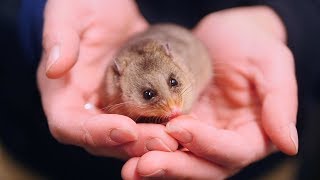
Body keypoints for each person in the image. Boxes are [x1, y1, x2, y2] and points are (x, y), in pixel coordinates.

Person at [1, 0, 319, 179]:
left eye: (173, 84)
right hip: (37, 150)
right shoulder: (115, 83)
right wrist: (39, 18)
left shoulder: (184, 62)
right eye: (149, 96)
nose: (173, 108)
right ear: (120, 80)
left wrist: (288, 22)